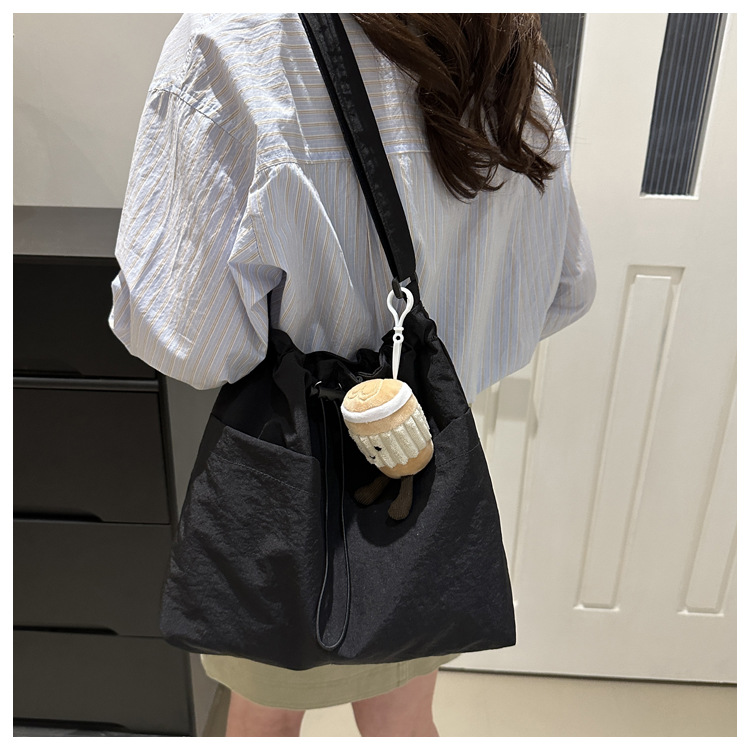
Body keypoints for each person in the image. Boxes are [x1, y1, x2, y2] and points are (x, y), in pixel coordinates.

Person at [109, 13, 595, 737]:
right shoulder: (503, 36)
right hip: (424, 475)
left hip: (286, 490)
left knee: (265, 718)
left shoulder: (233, 40)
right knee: (404, 719)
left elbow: (190, 343)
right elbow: (566, 288)